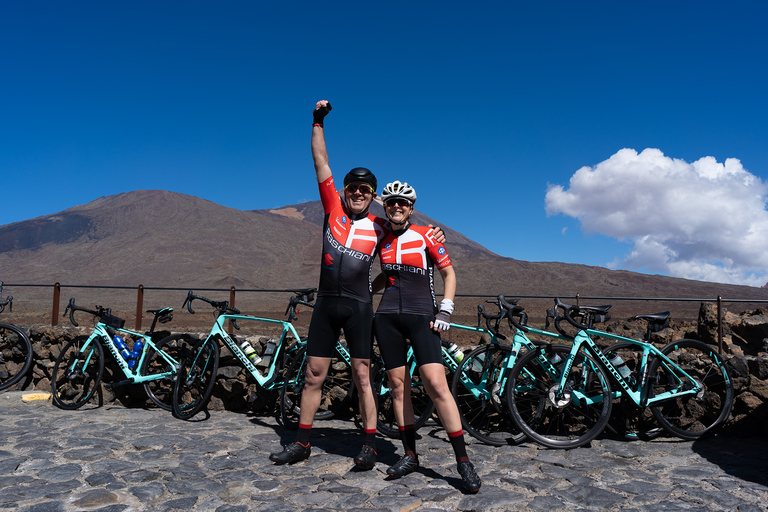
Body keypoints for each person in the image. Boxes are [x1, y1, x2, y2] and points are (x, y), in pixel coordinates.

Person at [269, 100, 444, 469]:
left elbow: (409, 229)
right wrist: (317, 122)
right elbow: (321, 162)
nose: (359, 192)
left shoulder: (381, 225)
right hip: (327, 305)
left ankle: (369, 445)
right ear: (346, 190)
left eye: (367, 189)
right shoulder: (332, 208)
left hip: (360, 307)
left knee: (363, 375)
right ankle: (302, 442)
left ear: (373, 194)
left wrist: (435, 233)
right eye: (354, 187)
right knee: (313, 375)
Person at [373, 180, 481, 493]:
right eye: (391, 202)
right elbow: (385, 274)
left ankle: (463, 461)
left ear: (411, 207)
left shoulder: (427, 236)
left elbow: (448, 273)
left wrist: (445, 310)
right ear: (386, 205)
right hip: (388, 319)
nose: (396, 206)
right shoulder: (381, 236)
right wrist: (367, 292)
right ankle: (409, 455)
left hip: (424, 318)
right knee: (397, 387)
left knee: (436, 383)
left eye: (402, 203)